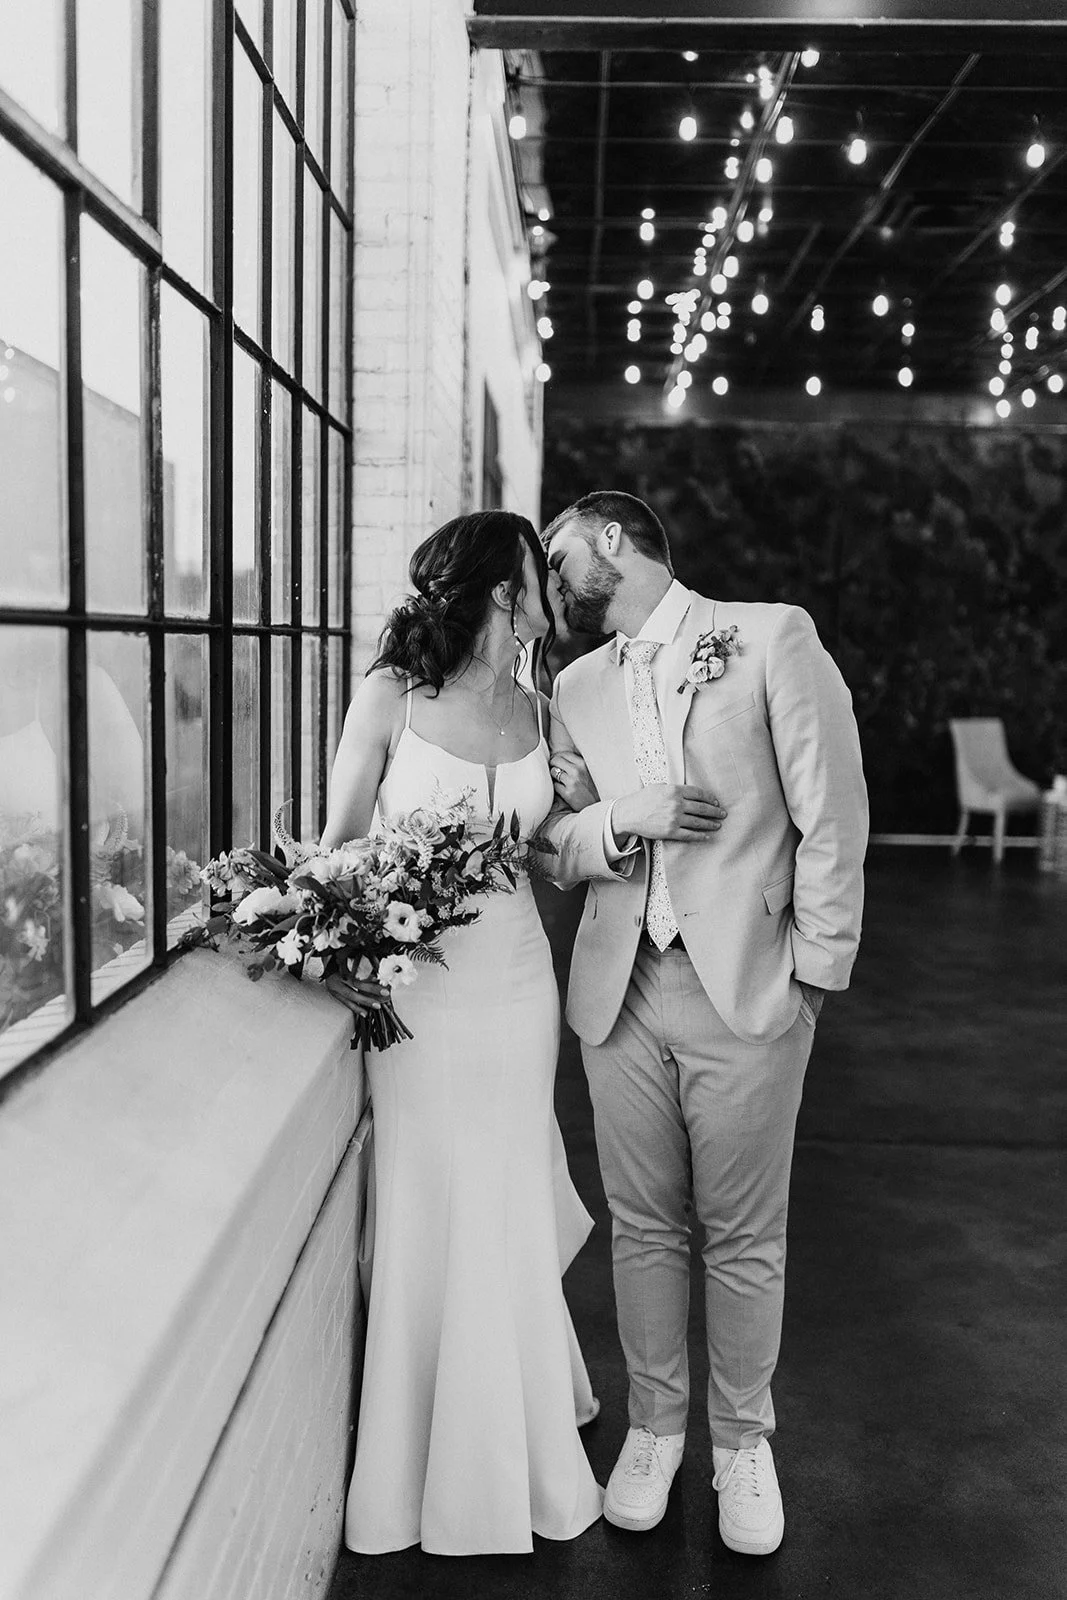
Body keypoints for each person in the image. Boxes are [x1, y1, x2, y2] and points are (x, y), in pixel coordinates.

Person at [540, 490, 868, 1556]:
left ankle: (740, 1443)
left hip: (746, 987)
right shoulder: (575, 682)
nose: (551, 582)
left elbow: (830, 810)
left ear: (608, 540)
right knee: (638, 1225)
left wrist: (811, 977)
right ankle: (654, 1429)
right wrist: (611, 822)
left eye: (558, 557)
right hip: (618, 987)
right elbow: (555, 837)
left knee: (741, 1233)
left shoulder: (770, 635)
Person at [321, 510, 604, 1556]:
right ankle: (416, 1450)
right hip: (423, 993)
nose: (554, 591)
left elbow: (559, 857)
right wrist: (347, 952)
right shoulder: (389, 694)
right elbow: (338, 844)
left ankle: (518, 1433)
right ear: (504, 589)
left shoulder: (540, 707)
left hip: (519, 980)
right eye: (542, 572)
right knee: (428, 1188)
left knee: (502, 1184)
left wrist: (588, 804)